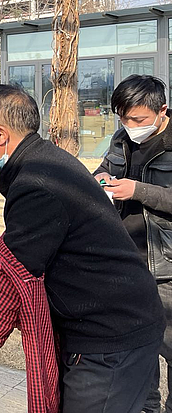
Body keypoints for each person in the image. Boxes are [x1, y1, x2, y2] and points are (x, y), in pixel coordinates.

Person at [0, 84, 164, 413]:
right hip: (122, 323)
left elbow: (12, 277)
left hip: (111, 337)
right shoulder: (45, 163)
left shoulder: (38, 184)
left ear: (0, 135)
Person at [93, 75, 172, 413]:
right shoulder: (122, 137)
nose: (131, 126)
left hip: (167, 265)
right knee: (139, 348)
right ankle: (145, 407)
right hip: (127, 261)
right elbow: (103, 168)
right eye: (124, 118)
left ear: (162, 110)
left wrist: (137, 190)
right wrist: (100, 178)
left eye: (139, 119)